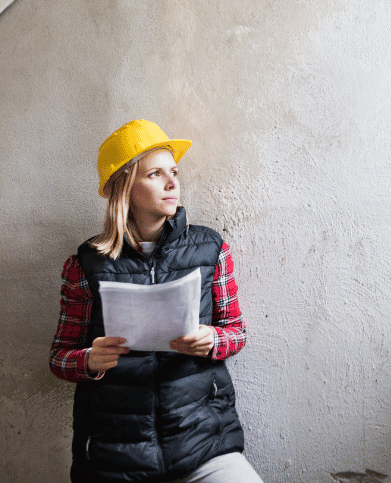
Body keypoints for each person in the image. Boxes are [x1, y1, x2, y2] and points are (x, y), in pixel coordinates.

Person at [49, 119, 263, 483]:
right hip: (115, 455)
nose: (171, 182)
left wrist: (212, 339)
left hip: (202, 444)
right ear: (125, 187)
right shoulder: (85, 265)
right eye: (155, 174)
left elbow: (236, 333)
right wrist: (88, 359)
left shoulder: (211, 248)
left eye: (174, 171)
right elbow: (59, 357)